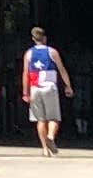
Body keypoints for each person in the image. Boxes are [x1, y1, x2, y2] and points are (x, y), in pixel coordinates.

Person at [22, 24, 67, 154]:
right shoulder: (52, 52)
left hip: (34, 88)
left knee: (40, 119)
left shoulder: (28, 53)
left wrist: (25, 92)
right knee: (53, 117)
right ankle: (50, 137)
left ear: (33, 38)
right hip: (50, 87)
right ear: (45, 38)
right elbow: (61, 69)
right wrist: (67, 85)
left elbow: (25, 73)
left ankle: (44, 148)